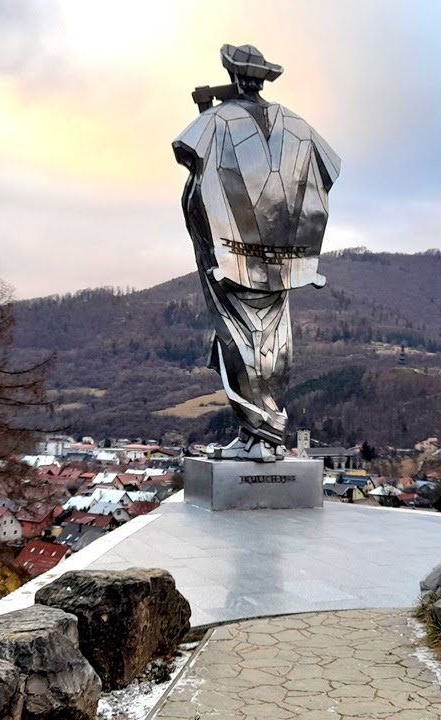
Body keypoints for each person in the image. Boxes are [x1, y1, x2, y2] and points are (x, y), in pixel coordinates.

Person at [173, 44, 341, 461]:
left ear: (233, 77)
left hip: (231, 256)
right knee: (268, 339)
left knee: (239, 340)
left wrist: (209, 112)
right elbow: (329, 169)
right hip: (283, 256)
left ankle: (263, 433)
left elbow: (190, 158)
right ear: (263, 79)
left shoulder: (215, 119)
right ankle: (255, 434)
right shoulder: (298, 125)